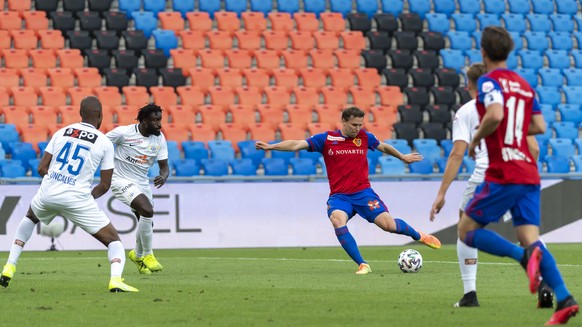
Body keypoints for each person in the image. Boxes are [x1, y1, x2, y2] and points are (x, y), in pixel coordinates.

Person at [457, 26, 578, 325]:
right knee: (530, 236)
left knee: (466, 229)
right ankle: (565, 299)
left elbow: (496, 114)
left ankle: (522, 258)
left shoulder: (488, 82)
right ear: (509, 52)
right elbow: (539, 125)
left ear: (484, 53)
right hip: (528, 171)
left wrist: (476, 140)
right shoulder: (524, 85)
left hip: (504, 170)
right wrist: (514, 126)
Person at [256, 106, 442, 274]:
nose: (357, 128)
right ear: (343, 121)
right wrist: (271, 146)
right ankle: (362, 264)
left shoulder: (365, 137)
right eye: (354, 124)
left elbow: (383, 146)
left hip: (363, 194)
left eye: (360, 124)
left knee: (389, 226)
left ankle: (420, 235)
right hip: (340, 197)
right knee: (337, 220)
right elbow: (297, 144)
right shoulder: (326, 139)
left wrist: (402, 157)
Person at [429, 63, 554, 309]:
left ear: (468, 86)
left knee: (465, 226)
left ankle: (470, 294)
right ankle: (544, 283)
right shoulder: (509, 108)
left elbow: (456, 155)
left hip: (485, 175)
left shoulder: (466, 111)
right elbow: (535, 148)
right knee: (529, 233)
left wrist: (442, 193)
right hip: (517, 174)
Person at [0, 96, 138, 292]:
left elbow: (41, 168)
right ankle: (115, 280)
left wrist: (57, 182)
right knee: (113, 240)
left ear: (80, 113)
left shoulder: (62, 132)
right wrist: (83, 200)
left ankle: (9, 265)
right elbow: (105, 185)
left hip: (49, 192)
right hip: (78, 199)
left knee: (30, 218)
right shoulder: (104, 142)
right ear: (100, 116)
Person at [106, 104, 169, 275]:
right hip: (120, 180)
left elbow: (164, 167)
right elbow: (101, 144)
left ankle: (137, 255)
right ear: (144, 120)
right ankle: (148, 255)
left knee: (147, 221)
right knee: (147, 210)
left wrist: (163, 176)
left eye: (160, 120)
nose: (159, 124)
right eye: (155, 120)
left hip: (142, 183)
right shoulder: (123, 133)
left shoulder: (159, 138)